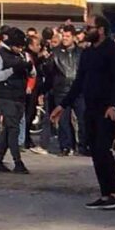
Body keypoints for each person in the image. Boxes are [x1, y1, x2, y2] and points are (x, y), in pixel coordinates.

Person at [53, 15, 115, 209]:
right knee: (94, 150)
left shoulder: (113, 52)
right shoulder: (87, 53)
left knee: (103, 149)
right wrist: (62, 105)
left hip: (109, 109)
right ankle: (105, 194)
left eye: (90, 28)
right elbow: (79, 82)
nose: (86, 31)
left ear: (101, 30)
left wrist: (112, 105)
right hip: (91, 107)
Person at [0, 27, 33, 173]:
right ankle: (18, 161)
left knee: (8, 129)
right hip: (5, 96)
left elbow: (32, 73)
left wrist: (30, 67)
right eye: (18, 45)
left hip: (19, 95)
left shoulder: (21, 54)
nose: (20, 48)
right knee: (13, 128)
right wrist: (13, 70)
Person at [43, 25, 80, 155]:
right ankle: (65, 146)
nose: (65, 39)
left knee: (83, 119)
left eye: (68, 36)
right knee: (63, 120)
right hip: (61, 90)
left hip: (78, 90)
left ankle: (83, 145)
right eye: (63, 36)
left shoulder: (81, 52)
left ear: (74, 37)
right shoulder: (56, 52)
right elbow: (49, 73)